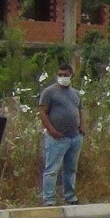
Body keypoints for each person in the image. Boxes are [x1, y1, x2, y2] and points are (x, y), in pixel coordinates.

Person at [38, 63, 84, 205]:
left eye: (66, 75)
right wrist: (52, 131)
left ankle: (70, 196)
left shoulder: (75, 94)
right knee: (52, 169)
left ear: (72, 76)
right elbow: (43, 112)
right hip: (57, 138)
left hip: (74, 137)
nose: (63, 77)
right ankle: (49, 199)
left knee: (70, 168)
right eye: (60, 74)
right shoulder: (49, 92)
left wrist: (81, 128)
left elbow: (80, 111)